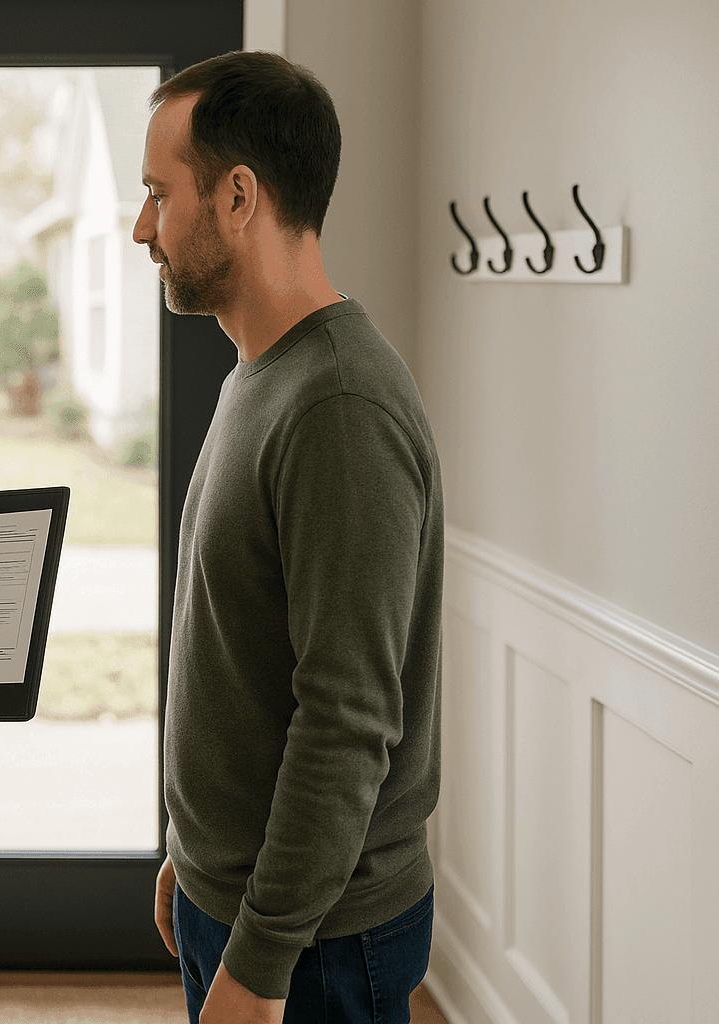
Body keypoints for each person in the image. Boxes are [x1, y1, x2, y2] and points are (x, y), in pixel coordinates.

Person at [132, 51, 442, 1024]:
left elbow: (346, 720)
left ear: (237, 197)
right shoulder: (264, 373)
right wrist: (197, 852)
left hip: (318, 946)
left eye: (158, 195)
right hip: (247, 900)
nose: (142, 228)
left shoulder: (339, 405)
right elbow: (246, 651)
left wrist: (261, 959)